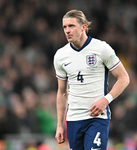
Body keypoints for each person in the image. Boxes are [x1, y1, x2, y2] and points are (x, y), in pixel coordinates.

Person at [53, 9, 130, 150]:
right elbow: (62, 92)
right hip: (73, 119)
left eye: (71, 26)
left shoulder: (101, 48)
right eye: (65, 27)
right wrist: (59, 125)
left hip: (97, 118)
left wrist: (106, 100)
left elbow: (124, 78)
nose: (67, 30)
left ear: (83, 27)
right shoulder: (60, 55)